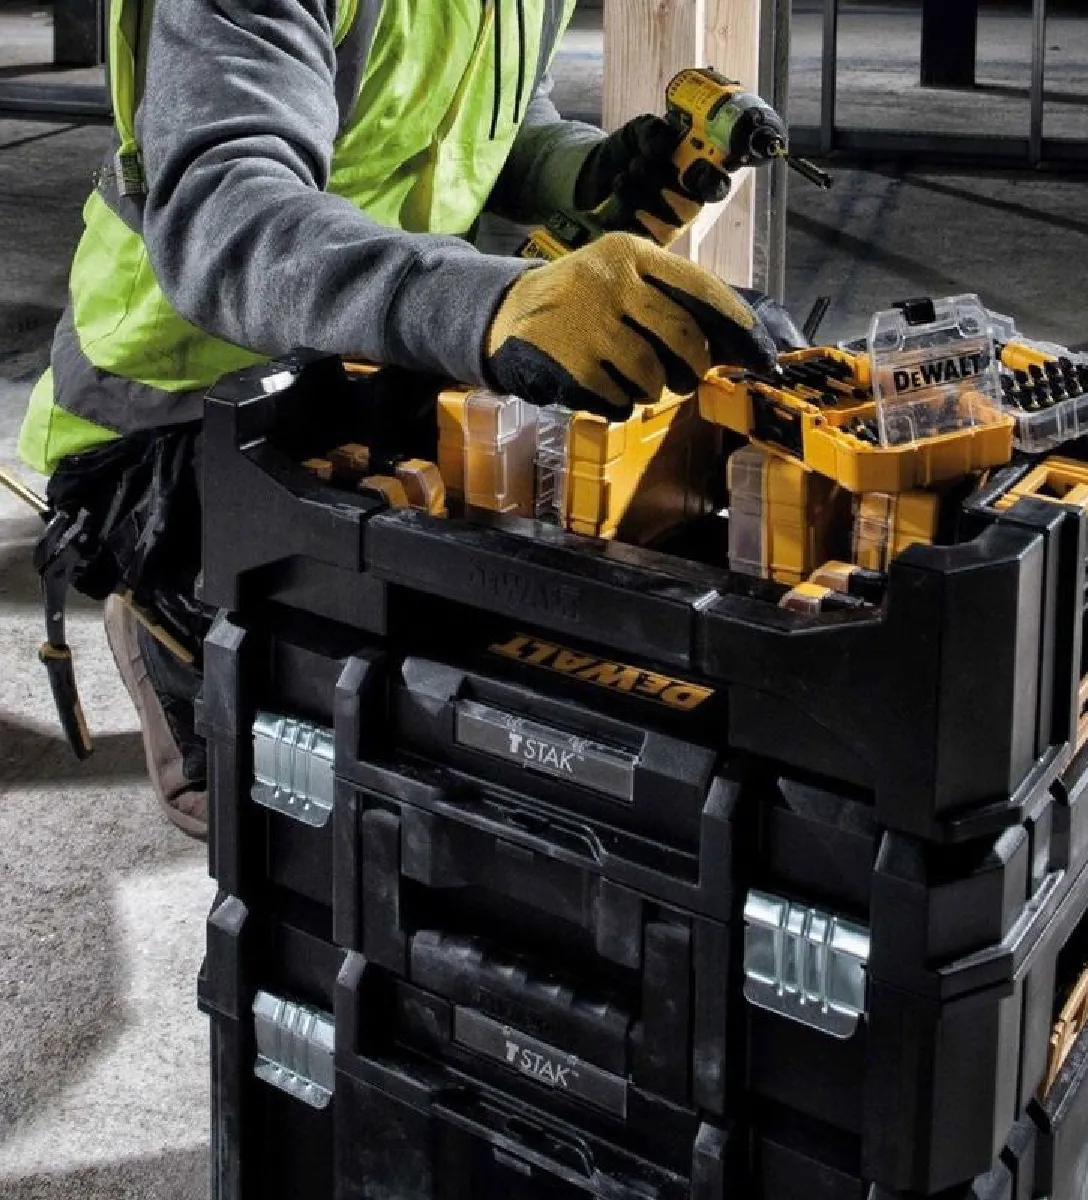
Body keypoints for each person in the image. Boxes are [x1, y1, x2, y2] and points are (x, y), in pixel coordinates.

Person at [17, 0, 784, 840]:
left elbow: (489, 120)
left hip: (369, 352)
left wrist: (584, 170)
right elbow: (225, 212)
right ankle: (158, 598)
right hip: (174, 401)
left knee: (432, 678)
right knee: (281, 788)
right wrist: (486, 303)